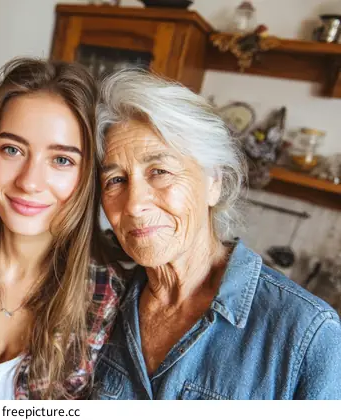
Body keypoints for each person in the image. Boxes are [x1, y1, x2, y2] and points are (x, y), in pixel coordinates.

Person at [92, 70, 341, 400]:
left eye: (160, 172)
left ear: (214, 182)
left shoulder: (307, 333)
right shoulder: (103, 299)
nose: (134, 205)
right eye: (116, 181)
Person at [0, 59, 122, 400]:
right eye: (12, 150)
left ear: (88, 174)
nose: (29, 182)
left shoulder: (108, 294)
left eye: (61, 160)